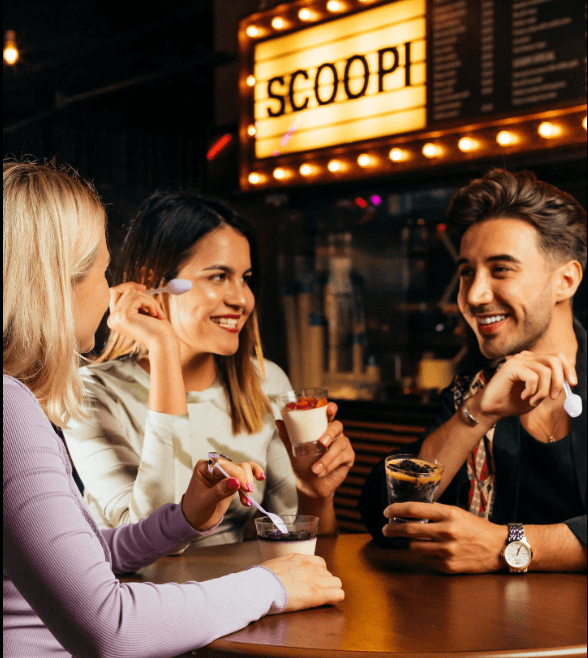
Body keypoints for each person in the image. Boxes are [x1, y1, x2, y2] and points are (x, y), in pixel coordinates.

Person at [3, 158, 345, 658]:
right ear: (55, 281)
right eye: (101, 271)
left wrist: (185, 517)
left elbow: (88, 556)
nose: (108, 290)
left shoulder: (15, 403)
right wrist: (270, 586)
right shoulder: (12, 409)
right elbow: (112, 629)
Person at [61, 183, 355, 546]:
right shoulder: (89, 391)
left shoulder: (265, 381)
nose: (241, 299)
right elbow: (144, 542)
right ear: (155, 282)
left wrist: (316, 493)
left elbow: (297, 541)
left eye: (245, 279)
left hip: (249, 594)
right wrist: (163, 346)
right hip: (142, 597)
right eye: (218, 276)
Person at [359, 168, 587, 574]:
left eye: (501, 269)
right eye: (467, 272)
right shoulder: (476, 389)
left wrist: (507, 544)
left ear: (565, 281)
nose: (475, 295)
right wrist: (479, 414)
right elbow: (386, 515)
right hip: (488, 632)